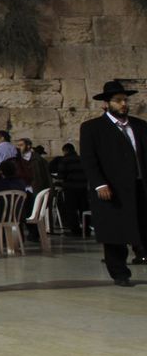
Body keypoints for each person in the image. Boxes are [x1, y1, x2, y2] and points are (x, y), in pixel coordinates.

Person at [79, 81, 147, 287]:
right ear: (106, 104)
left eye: (125, 100)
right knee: (115, 232)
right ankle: (120, 273)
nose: (123, 104)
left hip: (140, 185)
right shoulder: (92, 128)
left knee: (143, 226)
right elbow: (89, 159)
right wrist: (99, 184)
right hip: (112, 189)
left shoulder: (140, 126)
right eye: (118, 101)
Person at [51, 142, 88, 236]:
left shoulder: (65, 160)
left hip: (70, 188)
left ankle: (75, 230)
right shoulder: (82, 159)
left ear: (65, 151)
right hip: (83, 187)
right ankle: (86, 229)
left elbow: (61, 175)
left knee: (72, 209)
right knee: (84, 209)